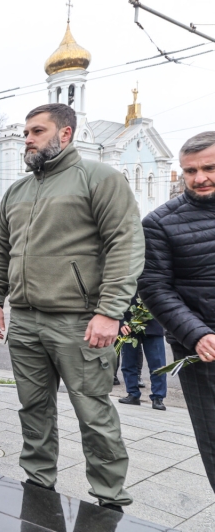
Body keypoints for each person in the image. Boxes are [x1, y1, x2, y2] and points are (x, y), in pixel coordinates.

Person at [0, 103, 144, 512]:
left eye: (37, 131)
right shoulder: (17, 191)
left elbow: (124, 244)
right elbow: (1, 249)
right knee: (33, 409)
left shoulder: (98, 178)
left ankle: (109, 501)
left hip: (79, 322)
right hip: (24, 322)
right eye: (26, 132)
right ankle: (39, 486)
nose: (28, 139)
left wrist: (110, 311)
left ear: (65, 134)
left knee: (93, 414)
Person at [138, 131, 215, 493]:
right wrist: (197, 333)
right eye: (190, 171)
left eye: (209, 168)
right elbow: (154, 287)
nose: (199, 178)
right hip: (203, 352)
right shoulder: (160, 222)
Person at [117, 294, 167, 410]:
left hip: (153, 323)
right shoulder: (125, 276)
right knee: (128, 362)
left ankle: (158, 397)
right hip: (129, 324)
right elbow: (117, 297)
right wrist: (121, 321)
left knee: (158, 363)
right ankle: (132, 394)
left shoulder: (155, 276)